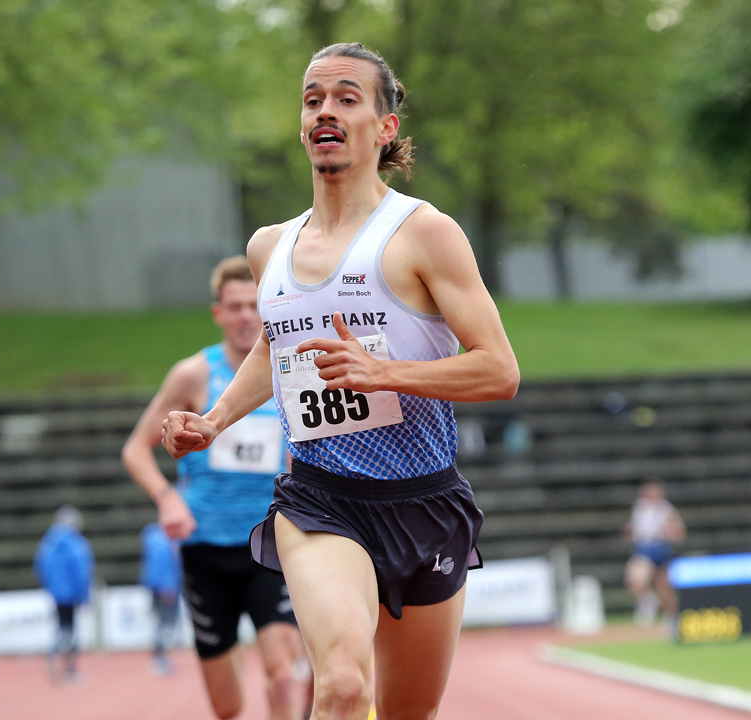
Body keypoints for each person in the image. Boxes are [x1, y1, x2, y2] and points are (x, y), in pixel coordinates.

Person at [161, 42, 519, 720]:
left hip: (423, 500)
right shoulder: (270, 246)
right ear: (302, 125)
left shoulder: (424, 233)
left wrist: (387, 372)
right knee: (346, 686)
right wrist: (215, 419)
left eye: (347, 98)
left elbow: (500, 369)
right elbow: (273, 349)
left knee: (407, 711)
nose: (325, 111)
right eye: (313, 99)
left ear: (384, 128)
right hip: (321, 500)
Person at [122, 256, 308, 720]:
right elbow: (136, 449)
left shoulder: (289, 370)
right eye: (235, 306)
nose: (246, 315)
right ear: (218, 314)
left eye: (253, 305)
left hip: (270, 544)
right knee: (227, 707)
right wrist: (168, 500)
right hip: (205, 550)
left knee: (282, 675)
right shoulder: (193, 375)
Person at [34, 506, 94, 684]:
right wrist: (83, 595)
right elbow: (82, 573)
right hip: (72, 594)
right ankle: (70, 670)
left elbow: (41, 568)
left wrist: (51, 588)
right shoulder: (77, 544)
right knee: (70, 631)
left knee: (62, 628)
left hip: (56, 594)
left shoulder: (47, 543)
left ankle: (54, 658)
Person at [623, 481, 685, 627]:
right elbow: (634, 529)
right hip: (644, 548)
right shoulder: (639, 508)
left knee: (664, 588)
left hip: (660, 548)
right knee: (635, 580)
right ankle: (648, 601)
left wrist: (670, 531)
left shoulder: (666, 509)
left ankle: (672, 617)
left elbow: (679, 532)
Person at [140, 523, 182, 675]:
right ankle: (160, 660)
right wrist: (167, 585)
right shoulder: (164, 541)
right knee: (164, 624)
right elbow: (164, 566)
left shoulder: (153, 538)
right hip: (166, 588)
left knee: (160, 623)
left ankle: (160, 658)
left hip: (157, 586)